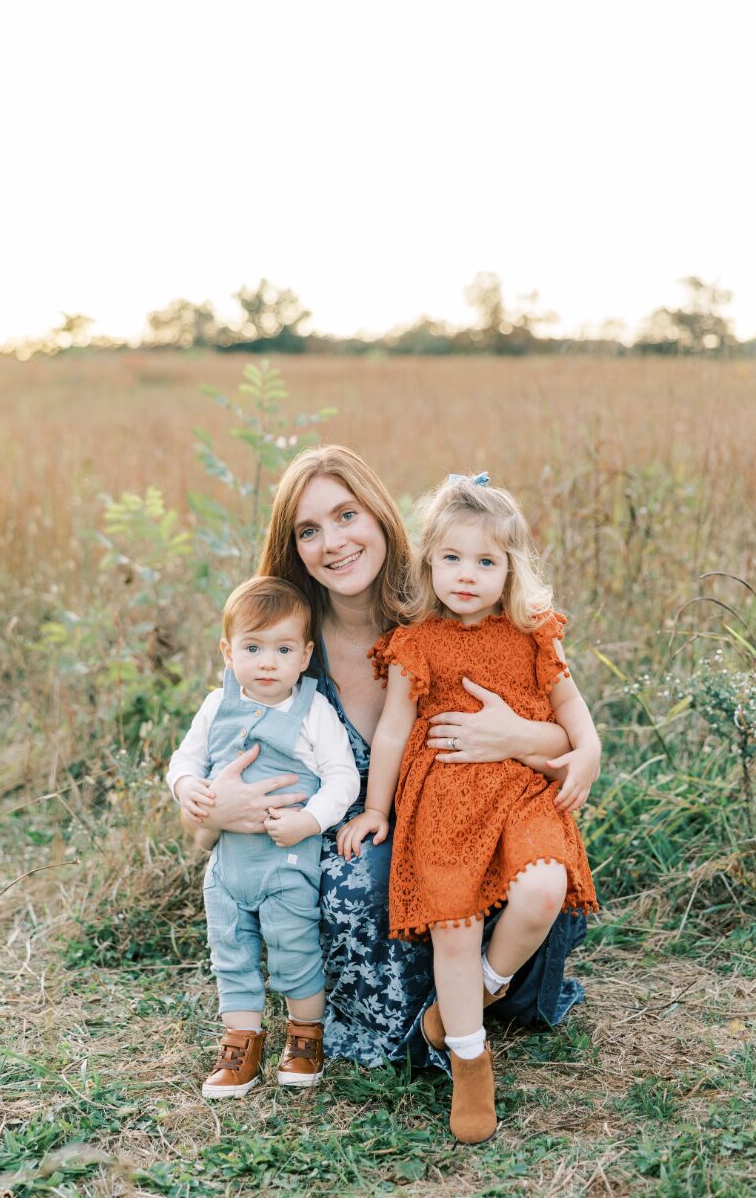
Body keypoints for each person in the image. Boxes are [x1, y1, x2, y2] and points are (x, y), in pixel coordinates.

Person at [184, 446, 594, 1076]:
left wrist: (517, 736)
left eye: (347, 515)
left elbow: (566, 744)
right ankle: (415, 1022)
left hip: (471, 824)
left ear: (380, 515)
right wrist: (216, 812)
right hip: (356, 849)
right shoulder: (281, 646)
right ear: (293, 548)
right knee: (355, 877)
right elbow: (203, 818)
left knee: (519, 879)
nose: (333, 542)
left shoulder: (450, 602)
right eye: (309, 530)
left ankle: (484, 994)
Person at [336, 474, 598, 1141]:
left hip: (522, 791)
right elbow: (392, 731)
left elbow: (570, 708)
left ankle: (479, 990)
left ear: (510, 570)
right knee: (454, 923)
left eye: (486, 561)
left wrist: (590, 750)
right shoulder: (418, 640)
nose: (467, 575)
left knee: (544, 888)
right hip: (444, 797)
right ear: (429, 562)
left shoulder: (533, 632)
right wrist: (377, 809)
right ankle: (470, 1059)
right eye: (452, 558)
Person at [170, 577, 358, 1096]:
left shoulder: (312, 711)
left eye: (283, 649)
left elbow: (343, 777)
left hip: (287, 862)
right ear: (228, 652)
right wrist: (187, 786)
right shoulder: (215, 705)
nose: (268, 663)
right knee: (230, 953)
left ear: (306, 656)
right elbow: (184, 760)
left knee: (294, 950)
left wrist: (310, 820)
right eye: (253, 648)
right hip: (227, 867)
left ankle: (304, 1037)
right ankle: (241, 1045)